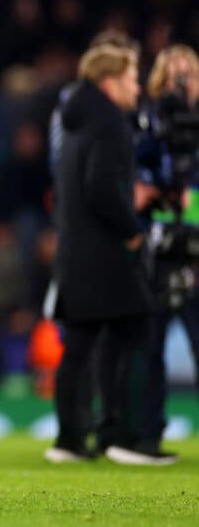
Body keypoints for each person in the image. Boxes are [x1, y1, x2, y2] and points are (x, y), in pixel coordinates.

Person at [48, 43, 174, 465]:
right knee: (136, 332)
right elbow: (102, 189)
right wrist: (132, 231)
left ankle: (69, 440)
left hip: (75, 250)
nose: (138, 87)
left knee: (81, 345)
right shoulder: (109, 124)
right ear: (110, 82)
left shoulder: (75, 120)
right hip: (105, 253)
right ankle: (125, 437)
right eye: (132, 78)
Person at [136, 44, 199, 458]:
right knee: (149, 350)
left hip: (196, 255)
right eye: (173, 75)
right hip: (156, 254)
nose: (180, 83)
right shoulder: (146, 128)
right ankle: (145, 436)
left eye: (188, 75)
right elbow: (137, 191)